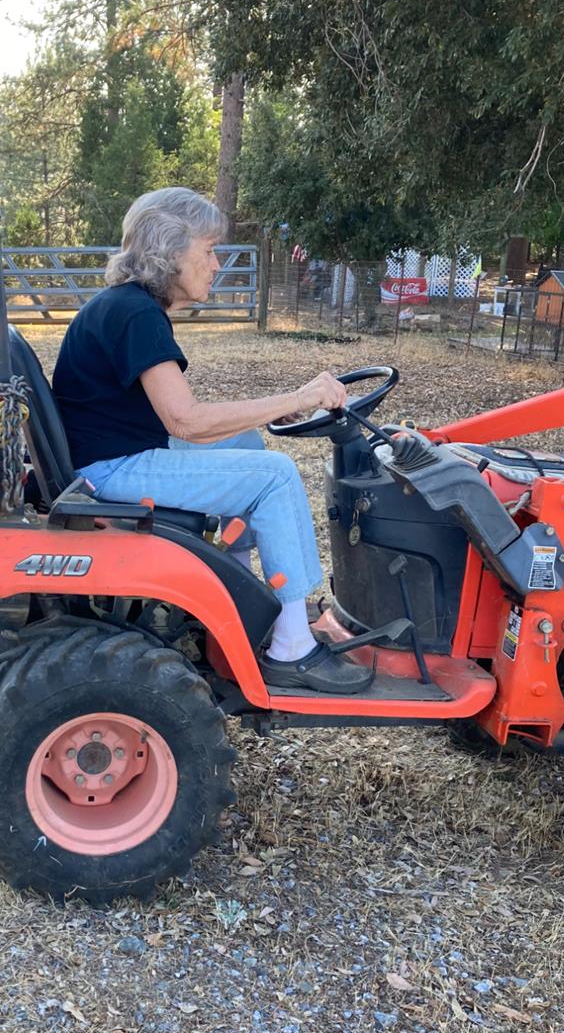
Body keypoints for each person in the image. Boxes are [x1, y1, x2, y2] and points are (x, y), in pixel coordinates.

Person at [51, 187, 371, 694]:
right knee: (276, 475)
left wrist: (281, 406)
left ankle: (237, 608)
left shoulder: (128, 307)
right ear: (171, 249)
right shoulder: (134, 315)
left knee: (245, 443)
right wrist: (301, 393)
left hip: (108, 454)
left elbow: (190, 421)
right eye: (208, 250)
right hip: (109, 470)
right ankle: (292, 644)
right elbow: (187, 422)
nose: (217, 263)